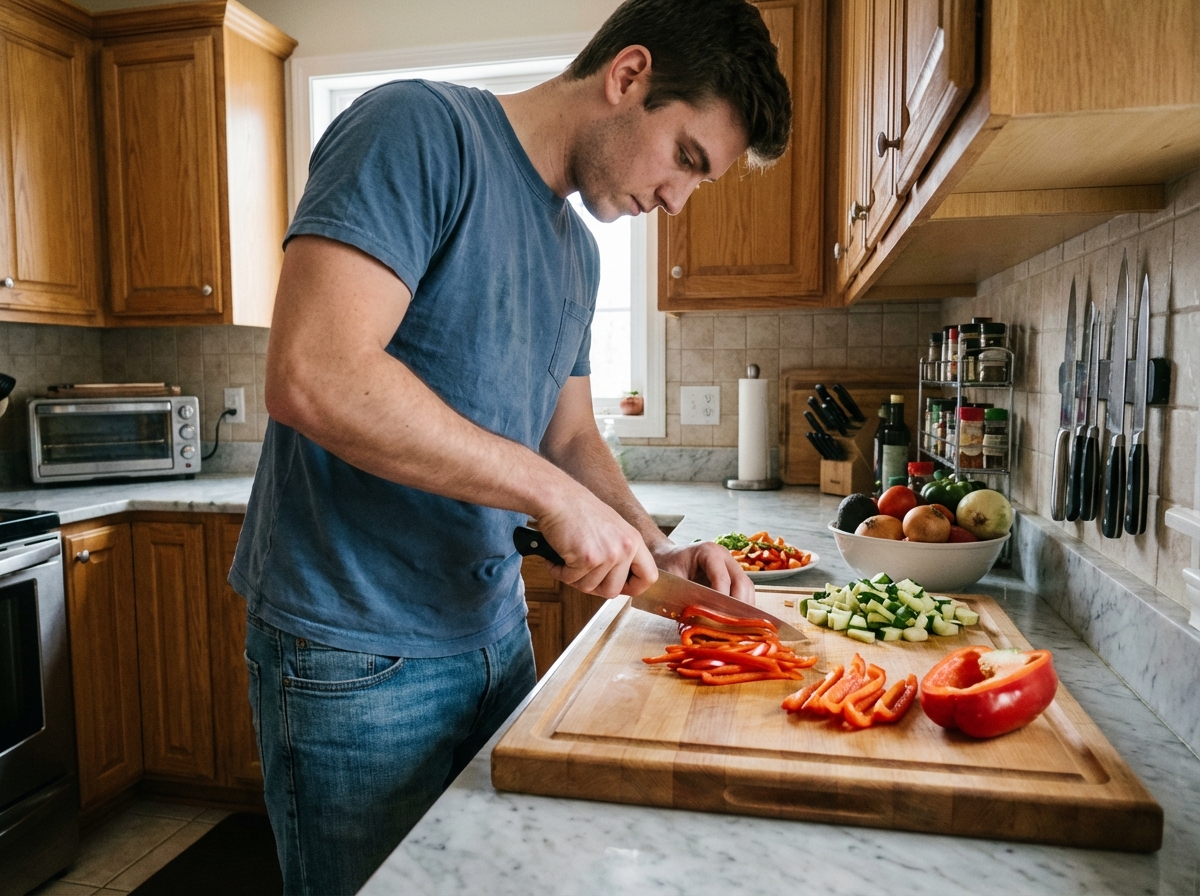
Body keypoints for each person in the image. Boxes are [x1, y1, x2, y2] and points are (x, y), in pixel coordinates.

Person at [230, 0, 792, 892]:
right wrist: (548, 494)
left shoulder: (578, 252)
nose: (677, 199)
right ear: (629, 75)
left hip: (496, 635)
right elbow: (314, 373)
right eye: (686, 157)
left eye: (702, 181)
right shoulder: (418, 129)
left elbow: (567, 437)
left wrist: (655, 547)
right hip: (356, 654)